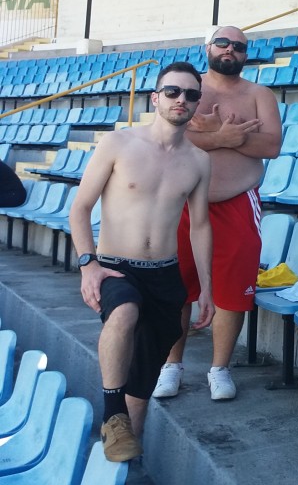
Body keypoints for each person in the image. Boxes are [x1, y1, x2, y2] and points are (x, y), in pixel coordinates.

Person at [70, 61, 213, 462]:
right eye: (172, 91)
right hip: (117, 266)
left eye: (191, 94)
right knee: (124, 313)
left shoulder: (199, 161)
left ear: (196, 103)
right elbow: (79, 208)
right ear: (155, 98)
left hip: (165, 275)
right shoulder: (118, 144)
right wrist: (88, 265)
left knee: (143, 384)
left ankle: (128, 461)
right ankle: (111, 414)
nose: (181, 100)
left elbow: (200, 227)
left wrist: (207, 290)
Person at [153, 26, 282, 402]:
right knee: (177, 286)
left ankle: (219, 368)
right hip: (182, 201)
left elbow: (272, 146)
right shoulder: (186, 89)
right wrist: (220, 138)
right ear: (208, 47)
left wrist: (232, 137)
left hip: (237, 201)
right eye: (223, 43)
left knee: (232, 292)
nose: (230, 50)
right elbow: (168, 135)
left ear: (245, 54)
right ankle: (171, 365)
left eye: (238, 47)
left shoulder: (260, 95)